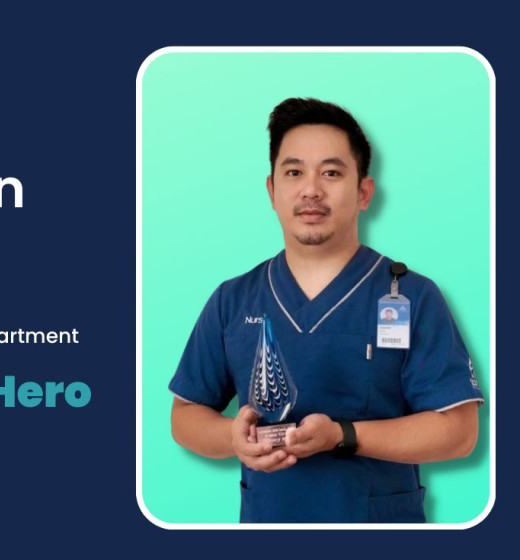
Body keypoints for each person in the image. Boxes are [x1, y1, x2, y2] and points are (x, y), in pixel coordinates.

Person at [168, 98, 483, 523]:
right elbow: (185, 416)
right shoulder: (233, 299)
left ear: (364, 192)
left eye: (331, 173)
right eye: (294, 172)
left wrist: (342, 435)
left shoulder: (412, 296)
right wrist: (232, 437)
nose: (311, 189)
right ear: (272, 191)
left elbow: (458, 432)